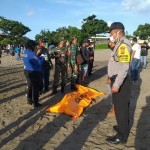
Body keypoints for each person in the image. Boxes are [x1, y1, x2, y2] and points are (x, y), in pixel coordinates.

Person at [106, 22, 132, 144]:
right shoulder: (119, 44)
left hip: (121, 81)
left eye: (111, 34)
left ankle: (122, 136)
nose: (111, 36)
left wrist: (116, 84)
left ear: (117, 32)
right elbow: (116, 63)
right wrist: (110, 77)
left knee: (121, 109)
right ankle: (122, 127)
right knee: (119, 107)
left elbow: (124, 67)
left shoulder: (123, 45)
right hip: (116, 78)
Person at [22, 40, 44, 108]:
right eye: (34, 46)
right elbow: (39, 62)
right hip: (35, 71)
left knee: (29, 85)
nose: (35, 47)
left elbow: (25, 59)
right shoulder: (33, 54)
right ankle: (36, 102)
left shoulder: (23, 52)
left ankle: (29, 99)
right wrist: (41, 57)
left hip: (27, 70)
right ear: (32, 46)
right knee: (36, 87)